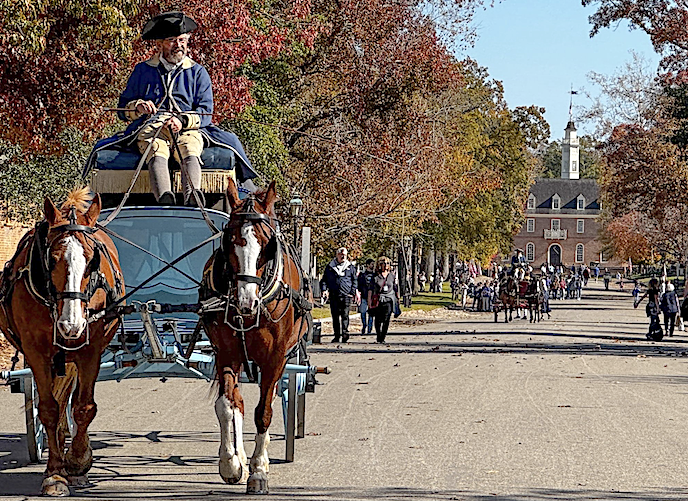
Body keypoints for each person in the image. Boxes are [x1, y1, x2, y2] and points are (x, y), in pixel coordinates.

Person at [110, 11, 256, 206]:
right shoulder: (142, 70)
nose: (178, 45)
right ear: (159, 44)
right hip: (153, 127)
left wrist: (183, 121)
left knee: (190, 147)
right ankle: (164, 197)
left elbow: (206, 111)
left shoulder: (198, 72)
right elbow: (122, 110)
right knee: (155, 147)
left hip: (187, 128)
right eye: (171, 40)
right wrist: (138, 107)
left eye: (182, 40)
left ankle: (193, 196)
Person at [320, 247, 358, 343]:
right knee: (335, 316)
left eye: (344, 255)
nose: (343, 256)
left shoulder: (350, 267)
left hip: (346, 295)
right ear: (337, 255)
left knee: (345, 315)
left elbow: (354, 281)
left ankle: (345, 333)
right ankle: (337, 336)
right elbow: (324, 280)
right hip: (334, 295)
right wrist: (324, 290)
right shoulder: (330, 267)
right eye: (341, 255)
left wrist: (352, 292)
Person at [369, 256, 399, 343]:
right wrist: (369, 302)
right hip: (378, 300)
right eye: (383, 263)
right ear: (379, 265)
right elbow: (370, 290)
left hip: (389, 300)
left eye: (387, 263)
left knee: (386, 319)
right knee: (378, 319)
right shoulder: (375, 277)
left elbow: (395, 288)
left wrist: (397, 299)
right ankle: (378, 335)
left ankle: (382, 337)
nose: (385, 265)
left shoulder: (392, 276)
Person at [357, 259, 375, 335]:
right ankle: (364, 325)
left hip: (372, 297)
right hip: (364, 296)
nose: (373, 266)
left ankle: (369, 329)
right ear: (367, 265)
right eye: (371, 264)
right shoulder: (362, 275)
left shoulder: (375, 275)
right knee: (363, 312)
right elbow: (358, 285)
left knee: (371, 313)